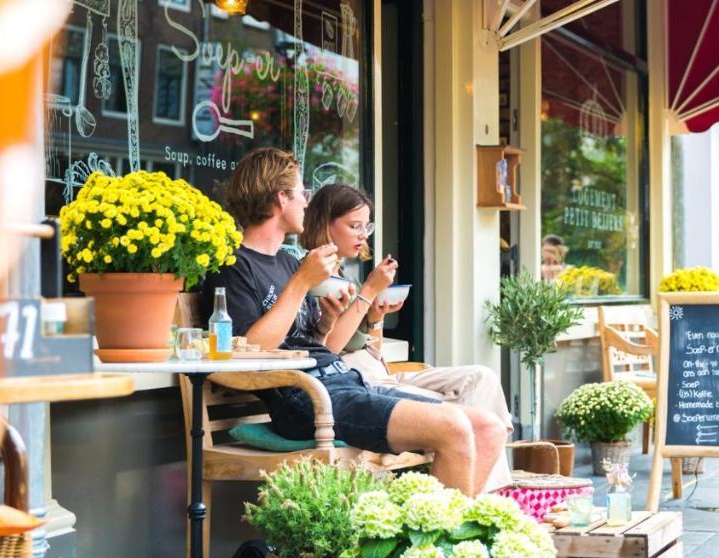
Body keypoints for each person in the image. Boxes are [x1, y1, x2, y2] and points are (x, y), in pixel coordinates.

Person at [200, 147, 504, 495]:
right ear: (280, 198)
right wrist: (302, 283)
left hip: (343, 381)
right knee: (453, 426)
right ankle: (444, 542)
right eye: (302, 192)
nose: (306, 201)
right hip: (306, 400)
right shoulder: (234, 266)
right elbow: (249, 350)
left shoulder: (286, 261)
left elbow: (314, 344)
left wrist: (326, 322)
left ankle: (456, 540)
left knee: (488, 428)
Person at [298, 183, 514, 491]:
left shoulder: (346, 273)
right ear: (325, 224)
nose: (363, 235)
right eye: (354, 226)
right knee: (466, 418)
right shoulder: (313, 276)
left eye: (366, 226)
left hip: (378, 371)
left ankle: (478, 491)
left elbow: (371, 349)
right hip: (352, 382)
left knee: (482, 378)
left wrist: (376, 317)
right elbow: (327, 349)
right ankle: (476, 498)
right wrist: (369, 291)